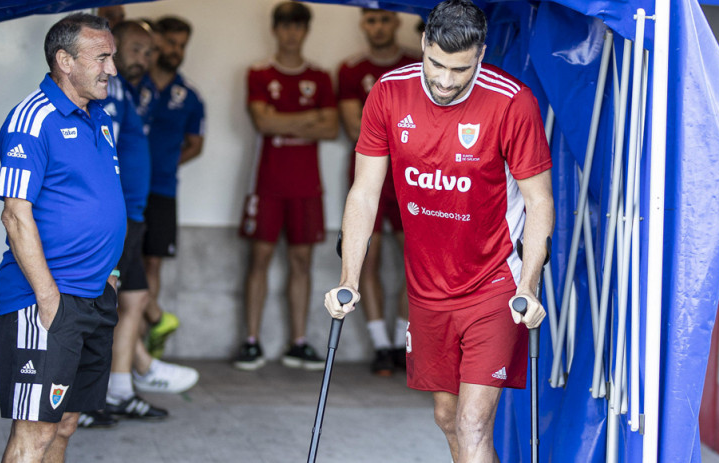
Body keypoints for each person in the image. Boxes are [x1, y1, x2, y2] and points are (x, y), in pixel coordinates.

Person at [324, 1, 554, 461]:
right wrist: (348, 278)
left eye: (461, 69)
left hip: (495, 283)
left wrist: (528, 285)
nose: (447, 81)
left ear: (482, 54)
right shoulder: (388, 94)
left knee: (472, 423)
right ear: (424, 45)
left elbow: (539, 200)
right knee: (448, 419)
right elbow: (364, 193)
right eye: (438, 64)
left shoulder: (513, 102)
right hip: (427, 288)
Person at [0, 13, 126, 461]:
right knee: (36, 433)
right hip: (48, 300)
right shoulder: (33, 119)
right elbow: (15, 216)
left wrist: (109, 272)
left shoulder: (101, 119)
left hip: (94, 296)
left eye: (113, 57)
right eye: (102, 57)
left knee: (65, 424)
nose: (112, 68)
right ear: (65, 61)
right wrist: (49, 300)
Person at [78, 20, 199, 429]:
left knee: (131, 301)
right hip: (113, 217)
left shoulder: (126, 91)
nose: (141, 59)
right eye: (134, 49)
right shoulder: (106, 90)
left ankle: (121, 390)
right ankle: (86, 400)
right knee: (102, 304)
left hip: (133, 213)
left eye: (148, 52)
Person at [234, 1, 338, 371]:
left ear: (306, 30)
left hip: (307, 184)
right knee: (259, 258)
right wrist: (310, 118)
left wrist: (284, 120)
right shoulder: (259, 73)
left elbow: (331, 128)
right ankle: (250, 341)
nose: (292, 33)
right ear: (275, 30)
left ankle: (299, 341)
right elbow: (263, 124)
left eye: (298, 26)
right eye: (285, 26)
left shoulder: (321, 77)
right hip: (268, 182)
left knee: (302, 262)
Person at [337, 8, 419, 376]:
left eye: (385, 19)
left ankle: (404, 343)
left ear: (397, 22)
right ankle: (380, 345)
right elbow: (355, 126)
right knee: (367, 256)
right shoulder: (351, 68)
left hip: (410, 173)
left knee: (412, 259)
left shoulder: (416, 63)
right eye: (371, 20)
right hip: (369, 171)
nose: (378, 26)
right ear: (362, 24)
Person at [143, 15, 205, 359]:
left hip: (163, 189)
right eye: (170, 43)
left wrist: (165, 164)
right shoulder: (132, 83)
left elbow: (196, 144)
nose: (175, 51)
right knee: (126, 262)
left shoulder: (190, 96)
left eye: (181, 45)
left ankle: (145, 338)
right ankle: (149, 320)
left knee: (152, 263)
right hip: (126, 190)